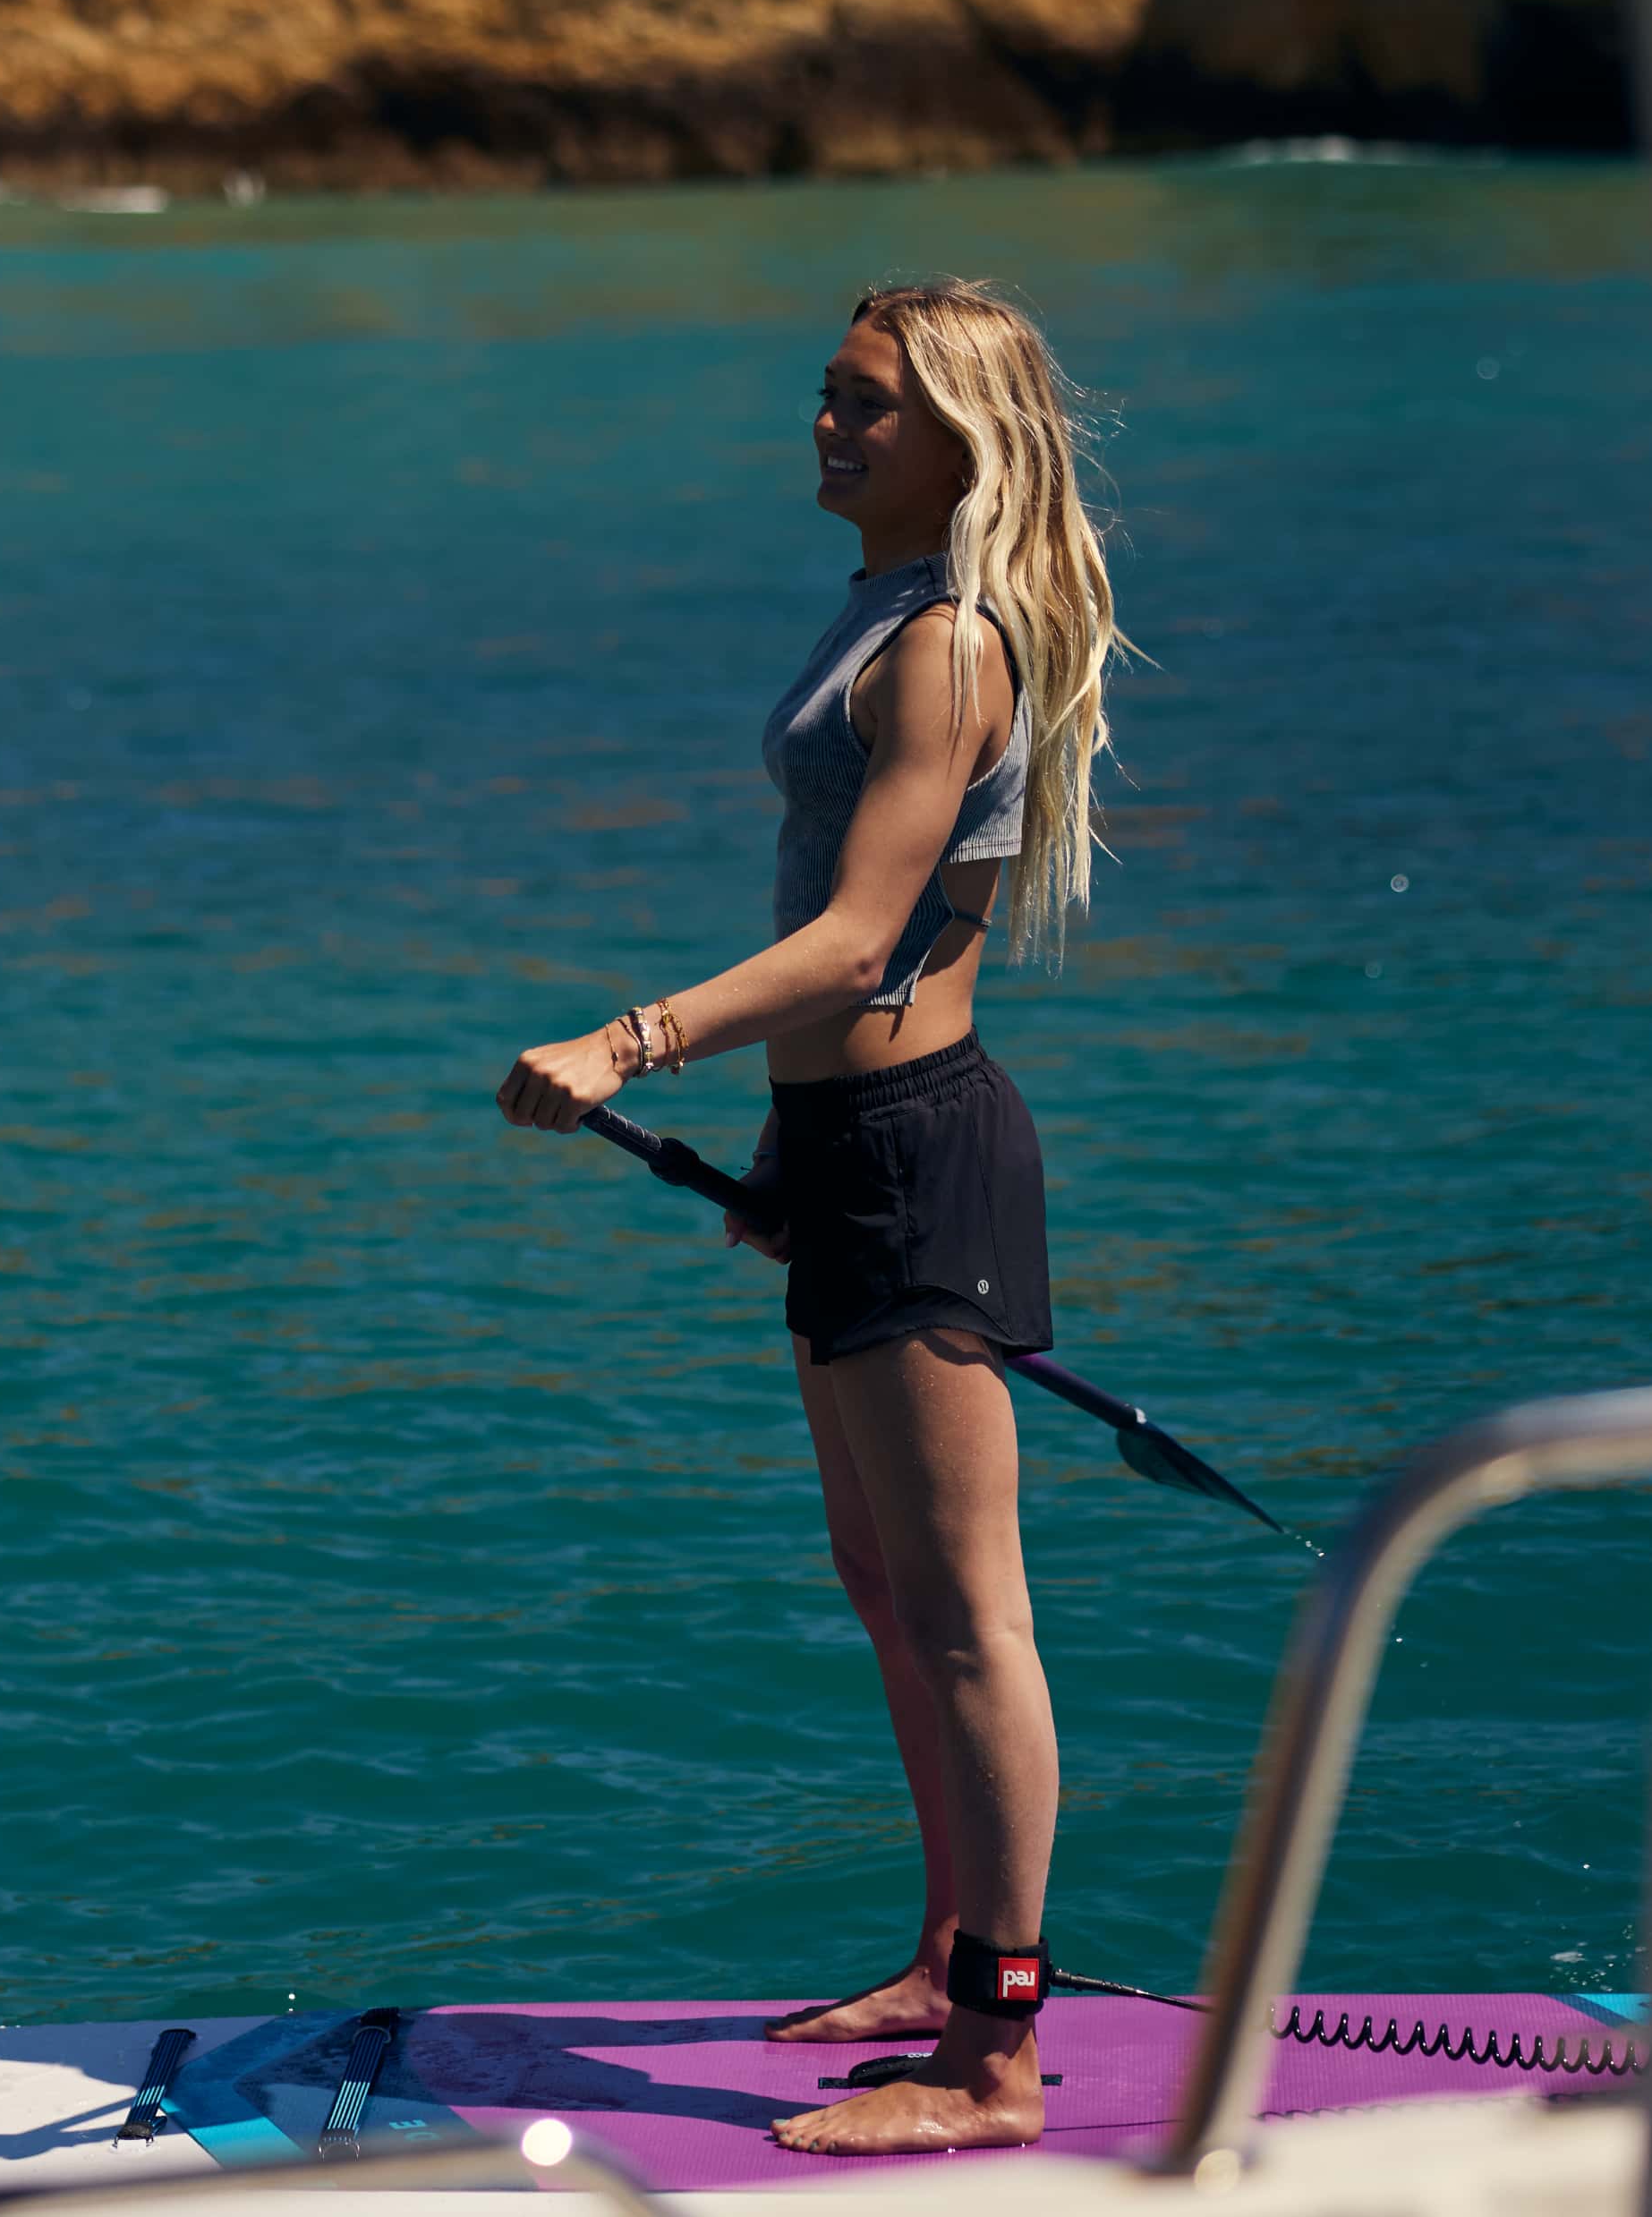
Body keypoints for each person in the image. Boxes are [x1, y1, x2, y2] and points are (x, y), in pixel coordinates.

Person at [494, 279, 1129, 2156]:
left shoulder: (949, 646)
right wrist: (784, 1142)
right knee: (883, 1580)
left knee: (971, 1616)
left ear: (960, 435)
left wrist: (631, 1041)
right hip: (845, 1144)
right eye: (828, 396)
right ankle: (944, 1962)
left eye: (870, 405)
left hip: (924, 1151)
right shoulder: (882, 609)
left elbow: (860, 942)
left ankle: (998, 2055)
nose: (830, 427)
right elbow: (847, 946)